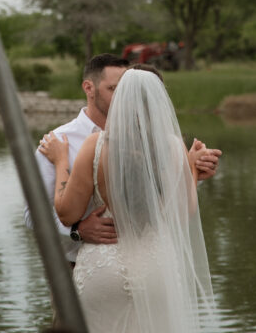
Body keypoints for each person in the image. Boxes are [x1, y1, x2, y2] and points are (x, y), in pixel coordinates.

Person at [39, 67, 215, 332]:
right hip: (157, 270)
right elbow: (184, 211)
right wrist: (189, 168)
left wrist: (62, 160)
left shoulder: (95, 145)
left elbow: (66, 213)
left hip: (104, 269)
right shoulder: (172, 146)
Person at [25, 54, 221, 265]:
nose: (121, 96)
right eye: (113, 89)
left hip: (147, 265)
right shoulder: (58, 142)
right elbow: (32, 216)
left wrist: (190, 168)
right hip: (80, 266)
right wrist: (76, 231)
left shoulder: (153, 142)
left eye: (123, 89)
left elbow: (162, 204)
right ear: (89, 88)